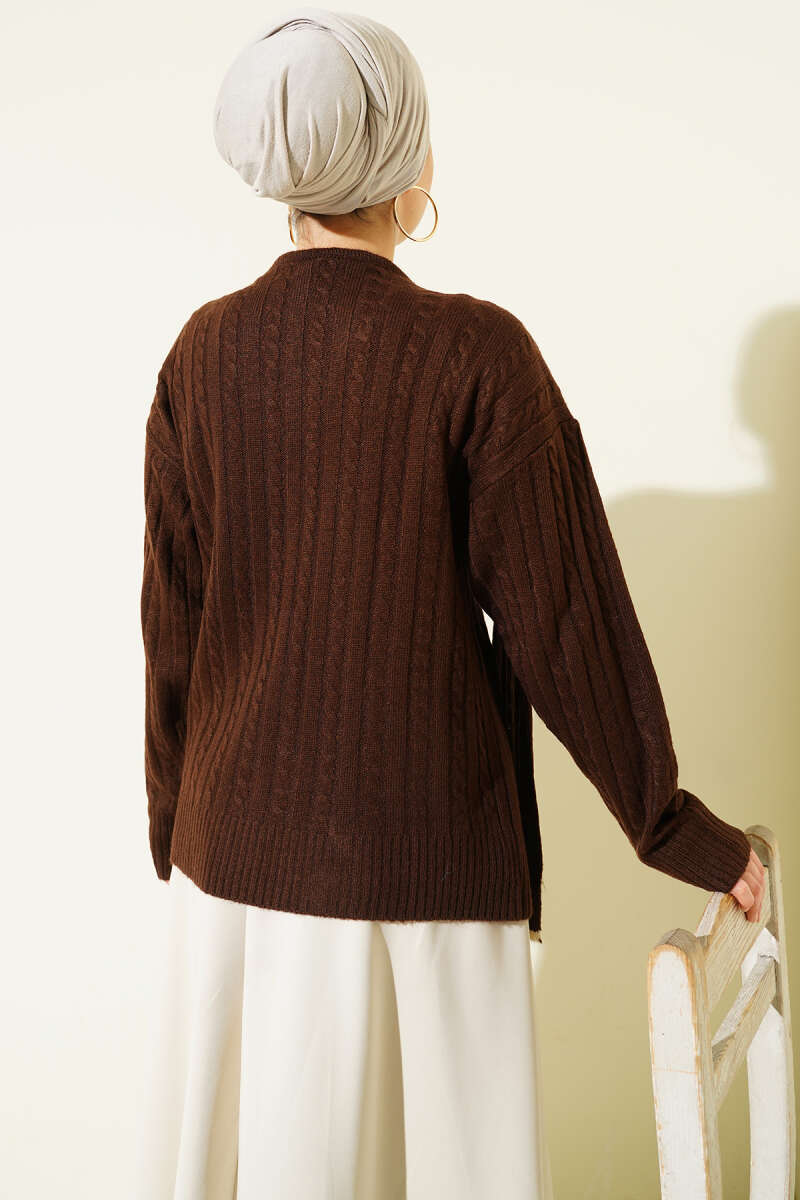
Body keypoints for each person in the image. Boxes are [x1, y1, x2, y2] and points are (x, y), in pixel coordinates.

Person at [136, 8, 765, 1198]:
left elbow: (173, 625)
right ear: (405, 161)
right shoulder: (476, 356)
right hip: (418, 882)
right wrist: (673, 829)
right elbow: (562, 623)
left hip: (227, 883)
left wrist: (177, 819)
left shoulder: (199, 354)